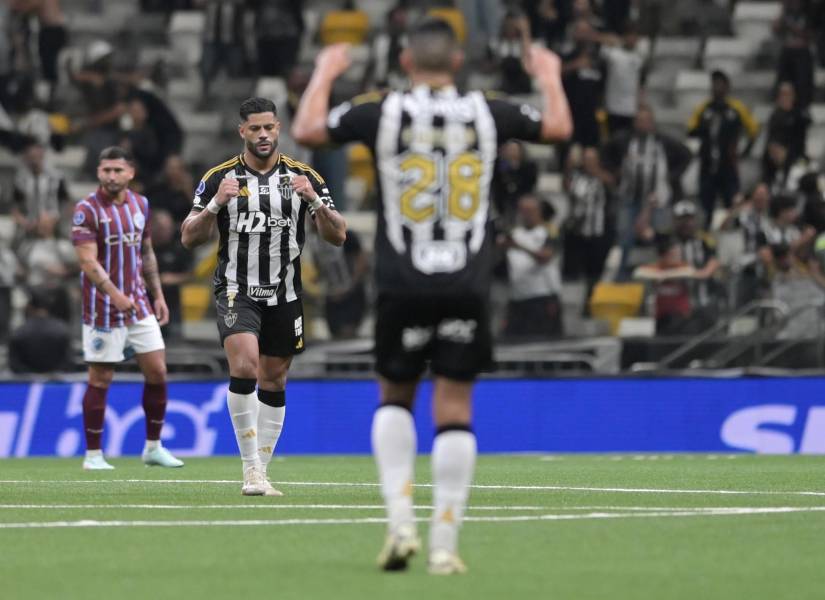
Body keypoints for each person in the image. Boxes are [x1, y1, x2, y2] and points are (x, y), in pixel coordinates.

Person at [292, 17, 571, 574]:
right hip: (467, 280)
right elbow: (559, 127)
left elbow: (308, 128)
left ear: (405, 62)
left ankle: (400, 525)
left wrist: (324, 71)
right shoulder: (488, 110)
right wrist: (549, 74)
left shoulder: (382, 109)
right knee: (455, 408)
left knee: (395, 396)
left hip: (402, 279)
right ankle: (444, 544)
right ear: (458, 62)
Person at [180, 97, 346, 496]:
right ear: (242, 131)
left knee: (274, 378)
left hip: (285, 293)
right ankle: (250, 469)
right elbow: (189, 237)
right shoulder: (219, 177)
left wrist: (314, 200)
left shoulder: (303, 176)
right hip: (236, 289)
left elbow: (338, 235)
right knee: (245, 366)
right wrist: (216, 203)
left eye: (269, 127)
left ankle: (262, 471)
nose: (263, 135)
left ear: (278, 128)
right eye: (254, 128)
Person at [71, 146, 183, 470]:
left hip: (139, 304)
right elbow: (87, 262)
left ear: (130, 173)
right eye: (106, 170)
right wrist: (115, 295)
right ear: (98, 172)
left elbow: (146, 252)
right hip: (102, 309)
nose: (111, 176)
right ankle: (93, 455)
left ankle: (153, 448)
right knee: (100, 378)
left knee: (157, 371)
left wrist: (157, 294)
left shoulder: (140, 204)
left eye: (118, 170)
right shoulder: (86, 210)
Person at [687, 70, 760, 223]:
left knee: (732, 203)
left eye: (720, 84)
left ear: (727, 87)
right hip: (708, 164)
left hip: (728, 163)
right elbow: (691, 130)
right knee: (706, 203)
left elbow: (754, 130)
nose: (717, 88)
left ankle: (732, 228)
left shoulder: (736, 108)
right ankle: (706, 231)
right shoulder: (704, 108)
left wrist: (744, 151)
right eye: (714, 84)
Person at [503, 194, 563, 337]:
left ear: (539, 211)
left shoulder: (549, 231)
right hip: (518, 297)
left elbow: (545, 257)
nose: (527, 215)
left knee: (544, 340)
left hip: (542, 297)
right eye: (523, 211)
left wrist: (519, 247)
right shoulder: (514, 233)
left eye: (531, 210)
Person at [8, 287, 71, 373]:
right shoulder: (62, 331)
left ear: (29, 307)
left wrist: (31, 376)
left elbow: (14, 365)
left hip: (26, 380)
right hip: (56, 381)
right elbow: (67, 363)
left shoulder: (18, 333)